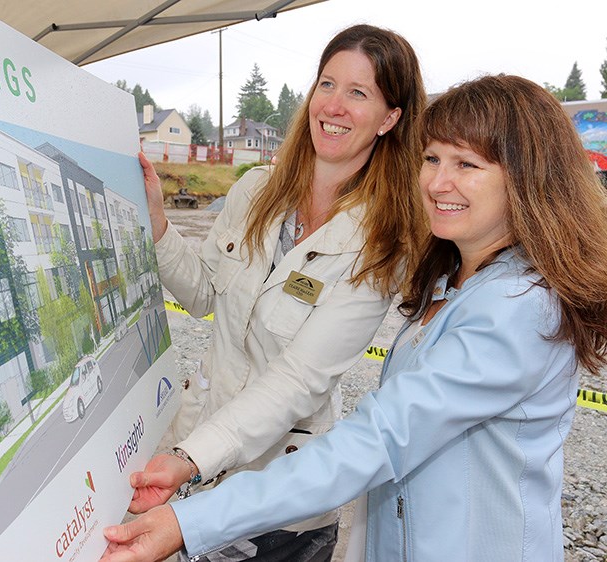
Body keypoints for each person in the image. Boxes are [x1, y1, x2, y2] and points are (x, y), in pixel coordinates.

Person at [101, 74, 607, 562]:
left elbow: (379, 438)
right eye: (431, 158)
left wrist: (188, 521)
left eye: (467, 164)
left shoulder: (516, 308)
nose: (437, 181)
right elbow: (210, 291)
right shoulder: (451, 281)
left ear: (529, 177)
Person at [127, 23, 426, 561]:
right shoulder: (254, 190)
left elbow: (299, 380)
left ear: (390, 118)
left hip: (279, 505)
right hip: (201, 463)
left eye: (359, 93)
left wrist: (191, 457)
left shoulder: (381, 242)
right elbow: (202, 294)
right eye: (327, 84)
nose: (333, 105)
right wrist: (157, 225)